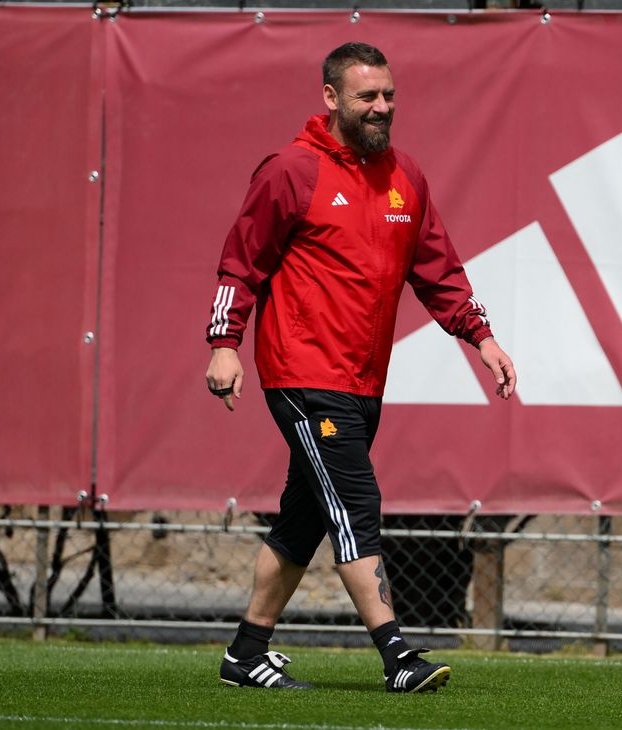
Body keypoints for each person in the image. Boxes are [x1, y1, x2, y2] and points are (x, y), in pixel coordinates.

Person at [203, 42, 516, 694]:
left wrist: (481, 338)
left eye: (389, 96)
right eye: (367, 97)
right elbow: (241, 262)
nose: (381, 108)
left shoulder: (406, 177)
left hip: (363, 381)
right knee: (356, 503)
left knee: (305, 518)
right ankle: (397, 655)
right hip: (302, 372)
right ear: (330, 98)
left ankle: (245, 652)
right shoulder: (291, 171)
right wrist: (224, 343)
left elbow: (439, 273)